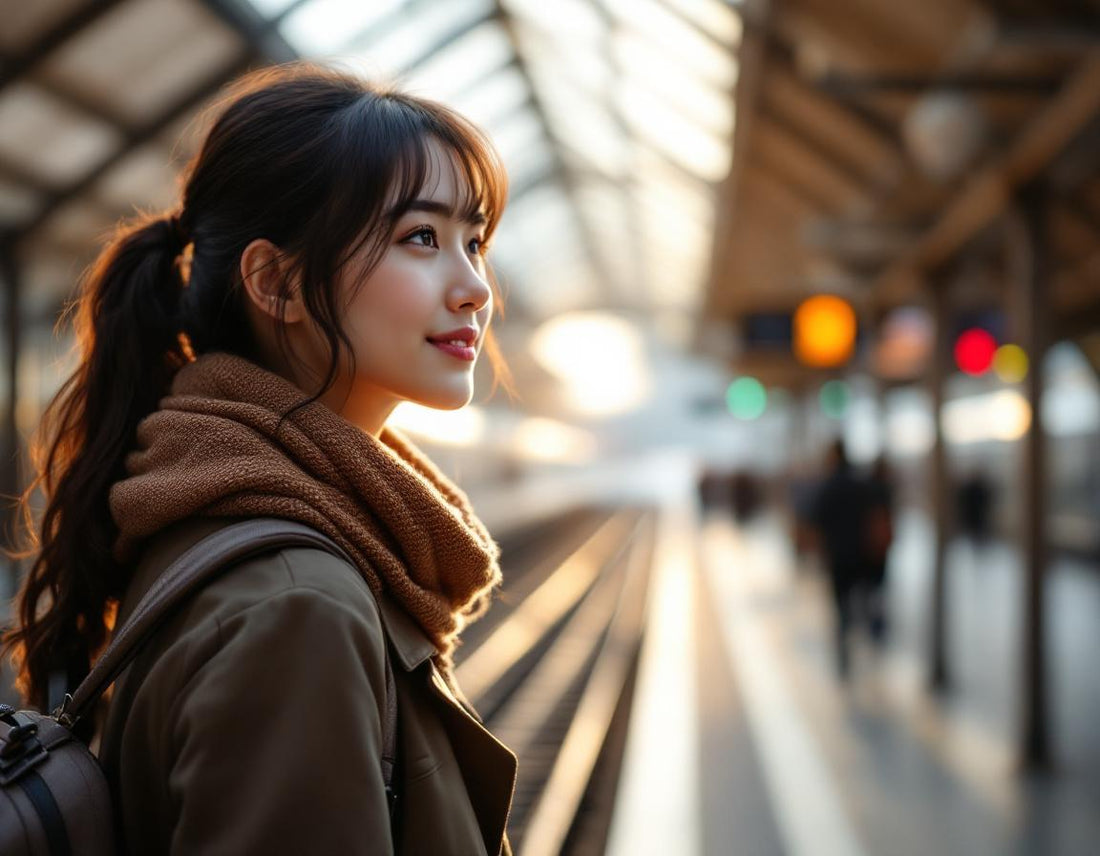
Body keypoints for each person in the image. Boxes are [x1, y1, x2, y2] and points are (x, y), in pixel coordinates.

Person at [3, 63, 517, 854]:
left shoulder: (227, 515)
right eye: (422, 237)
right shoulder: (296, 606)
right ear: (276, 283)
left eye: (473, 241)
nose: (476, 286)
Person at [811, 439, 873, 678]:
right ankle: (864, 634)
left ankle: (845, 643)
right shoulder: (860, 483)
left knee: (841, 605)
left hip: (837, 555)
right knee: (861, 597)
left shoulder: (829, 486)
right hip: (861, 554)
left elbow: (817, 519)